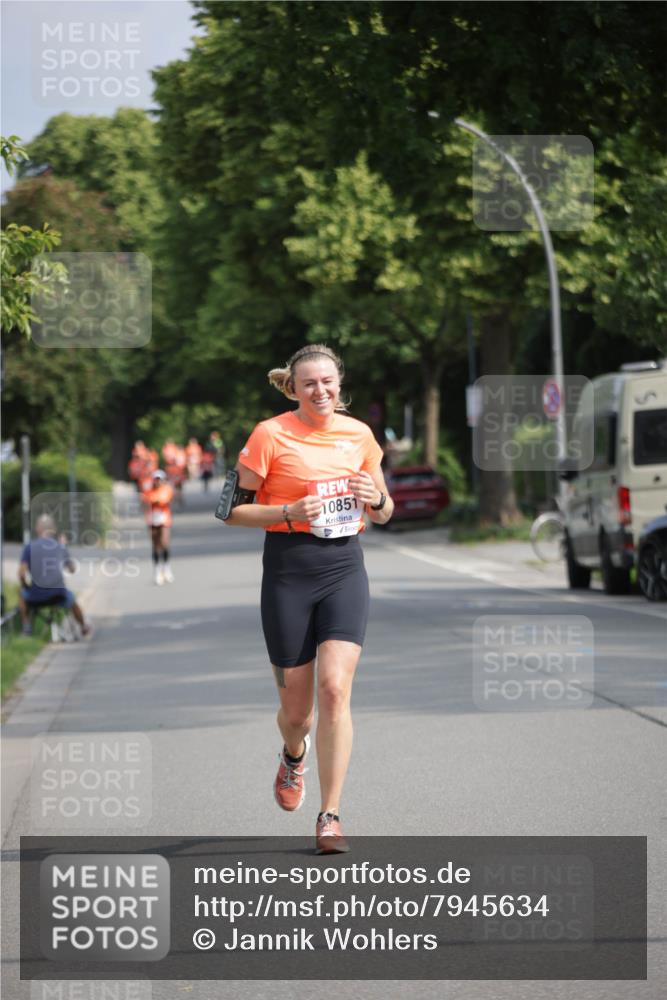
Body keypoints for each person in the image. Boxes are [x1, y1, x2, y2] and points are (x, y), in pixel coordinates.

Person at [223, 344, 394, 853]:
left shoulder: (359, 434)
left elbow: (385, 512)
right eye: (310, 384)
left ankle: (330, 815)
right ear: (293, 389)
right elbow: (230, 510)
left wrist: (376, 497)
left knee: (335, 690)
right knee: (297, 712)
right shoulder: (269, 435)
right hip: (288, 572)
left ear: (340, 385)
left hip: (345, 567)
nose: (321, 391)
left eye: (329, 382)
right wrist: (288, 512)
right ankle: (292, 754)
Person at [18, 515, 90, 636]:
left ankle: (26, 627)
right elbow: (72, 569)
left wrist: (25, 586)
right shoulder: (60, 546)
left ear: (37, 529)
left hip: (35, 595)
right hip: (58, 594)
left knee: (21, 594)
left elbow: (21, 573)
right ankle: (83, 626)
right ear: (53, 530)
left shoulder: (29, 547)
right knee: (72, 600)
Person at [141, 469, 174, 585]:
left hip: (164, 519)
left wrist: (153, 500)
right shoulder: (148, 491)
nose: (157, 482)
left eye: (159, 479)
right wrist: (151, 500)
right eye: (156, 479)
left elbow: (163, 501)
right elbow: (144, 502)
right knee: (155, 545)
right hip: (152, 519)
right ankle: (157, 570)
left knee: (164, 543)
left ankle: (166, 567)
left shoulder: (167, 490)